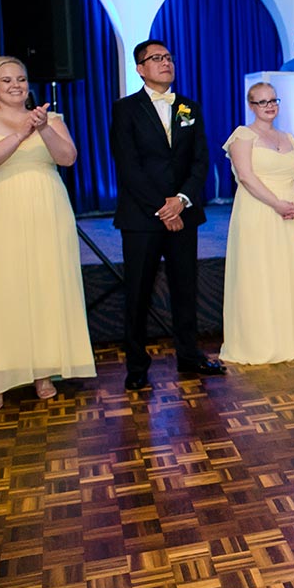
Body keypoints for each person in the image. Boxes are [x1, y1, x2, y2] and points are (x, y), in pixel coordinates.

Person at [0, 56, 96, 411]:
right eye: (6, 81)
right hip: (2, 211)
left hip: (48, 209)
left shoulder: (50, 119)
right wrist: (22, 132)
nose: (16, 85)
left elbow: (67, 158)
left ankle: (44, 372)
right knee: (4, 290)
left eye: (20, 79)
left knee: (45, 286)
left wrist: (43, 128)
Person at [110, 39, 226, 391]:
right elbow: (128, 166)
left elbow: (200, 160)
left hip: (184, 214)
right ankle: (137, 365)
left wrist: (182, 200)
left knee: (184, 288)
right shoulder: (125, 109)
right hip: (142, 217)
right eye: (156, 58)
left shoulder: (189, 107)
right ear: (140, 69)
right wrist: (163, 208)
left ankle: (189, 356)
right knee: (138, 293)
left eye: (168, 57)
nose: (165, 63)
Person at [219, 82, 294, 363]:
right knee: (259, 274)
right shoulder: (243, 136)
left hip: (289, 216)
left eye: (272, 100)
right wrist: (278, 204)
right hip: (258, 213)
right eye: (261, 101)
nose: (269, 106)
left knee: (285, 273)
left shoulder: (289, 138)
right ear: (251, 105)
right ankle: (259, 342)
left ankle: (291, 337)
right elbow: (246, 177)